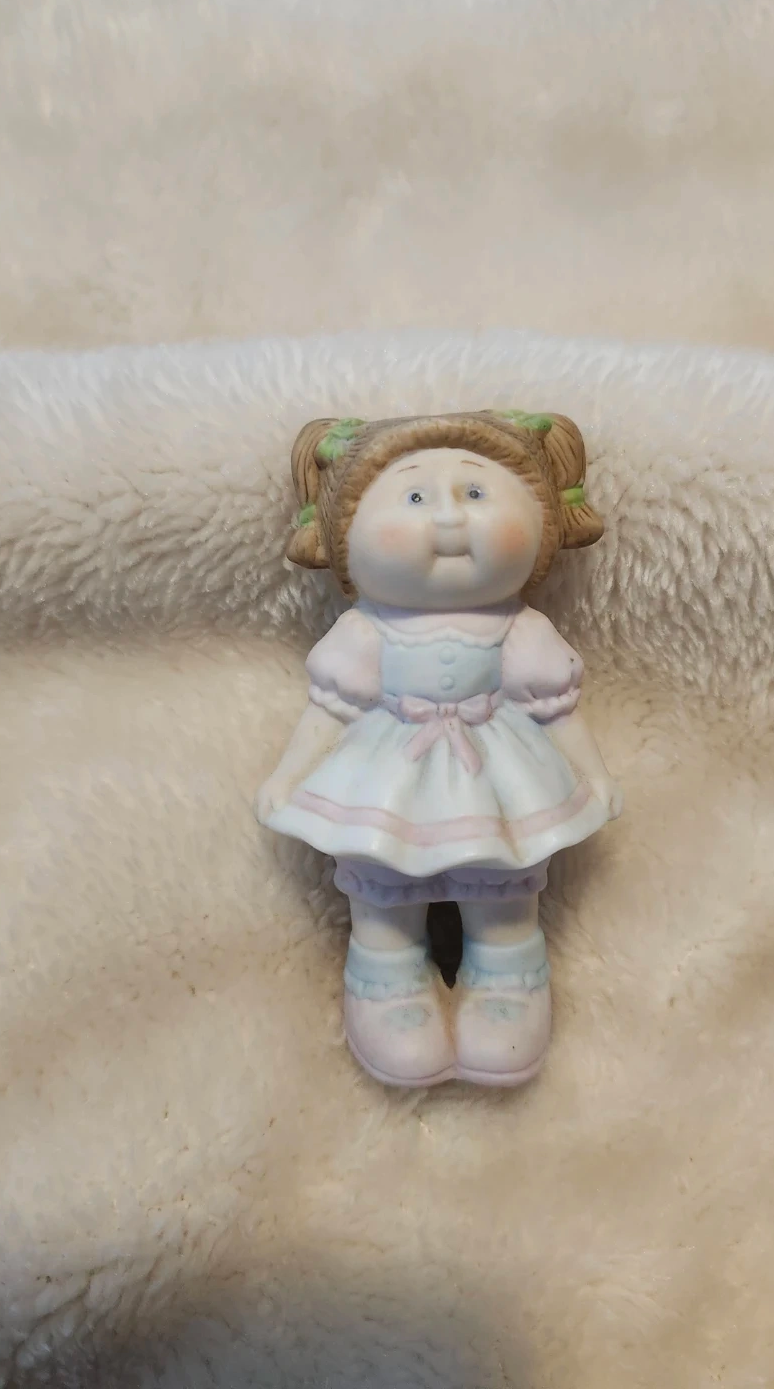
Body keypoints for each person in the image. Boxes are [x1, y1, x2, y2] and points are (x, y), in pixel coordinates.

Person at [256, 410, 621, 1088]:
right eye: (416, 497)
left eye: (477, 493)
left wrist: (592, 774)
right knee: (383, 889)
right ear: (346, 536)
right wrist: (288, 776)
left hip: (498, 774)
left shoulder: (519, 630)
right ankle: (388, 978)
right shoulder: (366, 631)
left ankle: (506, 976)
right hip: (388, 772)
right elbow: (329, 710)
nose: (449, 518)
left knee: (504, 887)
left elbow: (556, 709)